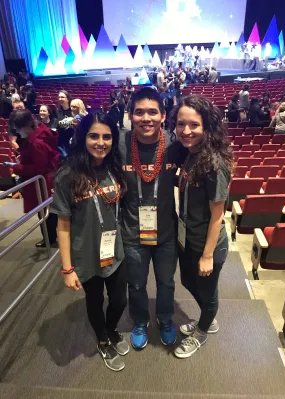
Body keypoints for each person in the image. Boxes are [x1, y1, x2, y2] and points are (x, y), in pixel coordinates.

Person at [51, 112, 129, 372]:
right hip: (85, 254)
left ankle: (111, 326)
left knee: (119, 300)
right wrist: (67, 268)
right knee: (94, 301)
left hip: (115, 250)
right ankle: (103, 337)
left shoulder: (114, 167)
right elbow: (63, 225)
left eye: (107, 137)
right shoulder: (67, 175)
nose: (101, 142)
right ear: (82, 137)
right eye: (93, 136)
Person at [119, 87, 187, 350]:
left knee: (166, 282)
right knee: (135, 283)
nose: (145, 118)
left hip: (166, 232)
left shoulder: (175, 146)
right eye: (138, 112)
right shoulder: (120, 145)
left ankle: (165, 318)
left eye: (152, 112)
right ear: (130, 115)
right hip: (132, 232)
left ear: (162, 115)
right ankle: (139, 320)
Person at [169, 94, 232, 358]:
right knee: (188, 280)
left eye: (194, 125)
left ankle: (204, 330)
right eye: (181, 124)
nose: (186, 131)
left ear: (206, 126)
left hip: (208, 245)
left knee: (207, 292)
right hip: (188, 238)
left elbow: (218, 215)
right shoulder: (192, 154)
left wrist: (207, 256)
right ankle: (208, 317)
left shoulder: (214, 164)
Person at [9, 109, 60, 247]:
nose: (17, 132)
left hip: (43, 183)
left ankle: (49, 239)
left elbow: (39, 168)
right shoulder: (39, 137)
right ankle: (50, 238)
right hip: (45, 181)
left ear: (25, 126)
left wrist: (18, 167)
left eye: (18, 129)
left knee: (46, 213)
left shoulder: (37, 143)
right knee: (48, 212)